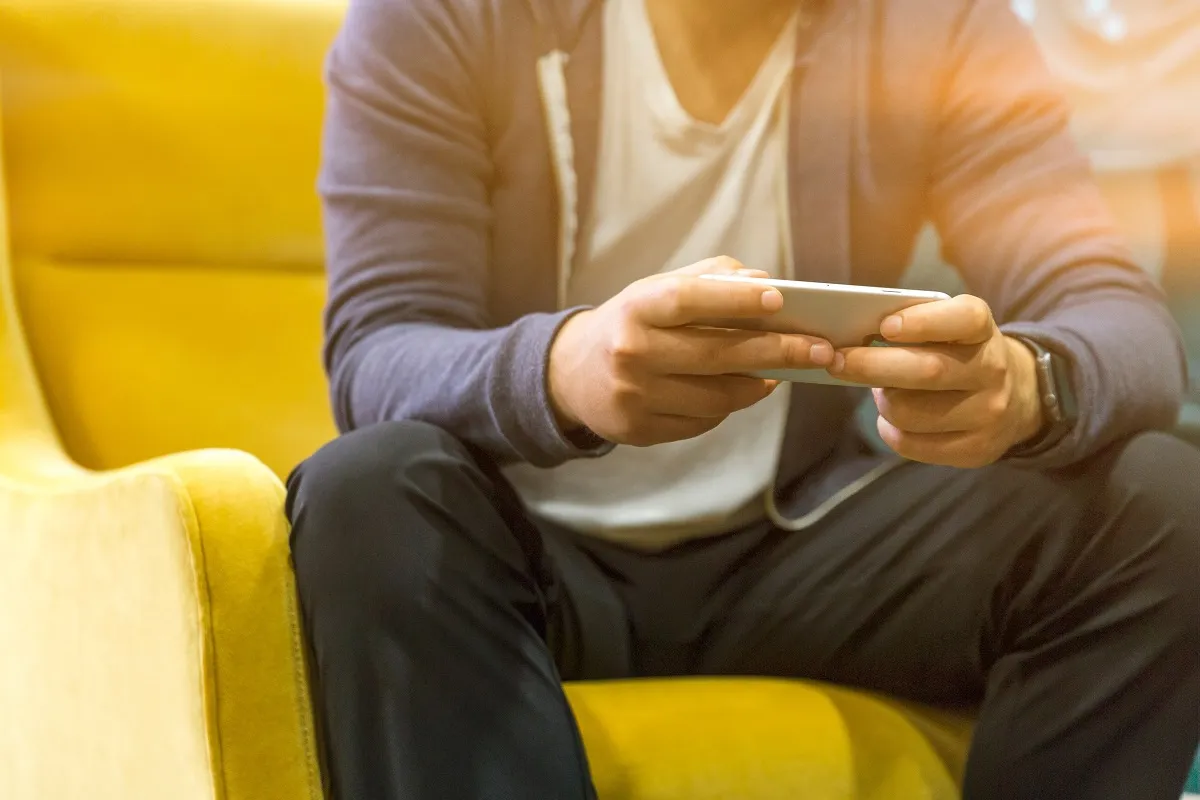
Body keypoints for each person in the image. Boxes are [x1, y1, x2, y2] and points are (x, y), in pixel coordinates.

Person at [286, 0, 1200, 797]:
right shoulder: (444, 15)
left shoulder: (939, 22)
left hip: (798, 555)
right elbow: (379, 350)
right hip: (522, 559)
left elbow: (1123, 321)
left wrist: (1026, 382)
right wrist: (567, 369)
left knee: (1160, 499)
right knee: (365, 491)